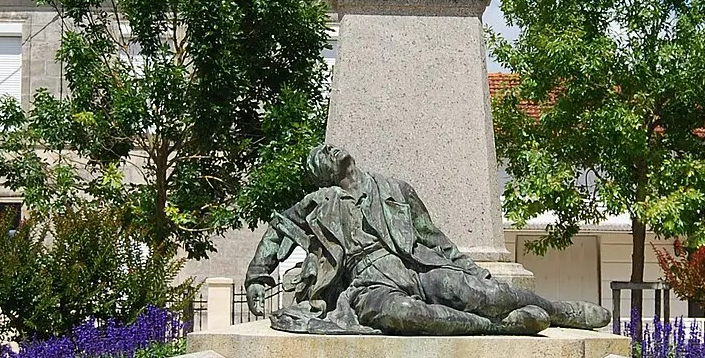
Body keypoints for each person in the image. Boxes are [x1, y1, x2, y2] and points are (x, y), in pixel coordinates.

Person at [245, 144, 611, 336]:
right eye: (319, 157)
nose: (328, 151)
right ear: (323, 176)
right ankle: (498, 327)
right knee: (406, 315)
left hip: (417, 268)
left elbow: (434, 238)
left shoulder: (394, 190)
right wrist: (257, 278)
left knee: (483, 294)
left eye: (327, 148)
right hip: (368, 283)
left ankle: (560, 311)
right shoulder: (318, 205)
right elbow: (278, 230)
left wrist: (475, 272)